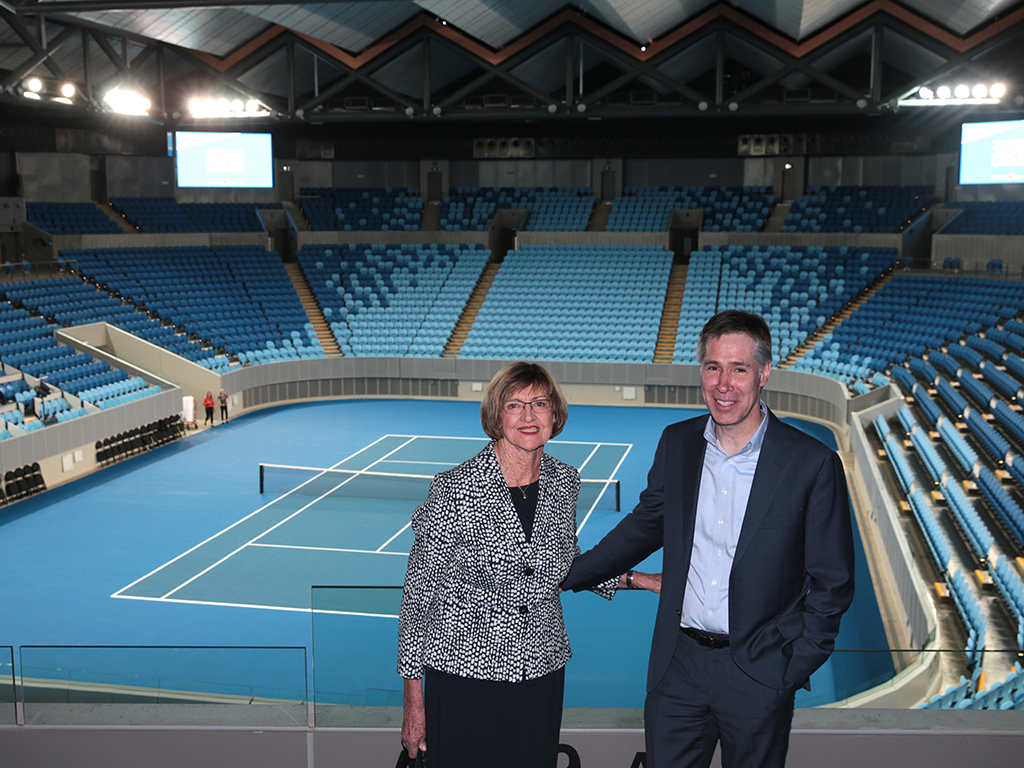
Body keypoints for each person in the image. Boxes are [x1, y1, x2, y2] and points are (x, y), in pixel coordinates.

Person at [562, 310, 855, 768]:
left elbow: (833, 582)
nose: (724, 384)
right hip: (678, 668)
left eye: (739, 369)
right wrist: (564, 573)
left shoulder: (812, 463)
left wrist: (790, 668)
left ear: (764, 374)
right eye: (713, 367)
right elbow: (644, 526)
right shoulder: (677, 443)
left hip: (759, 671)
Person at [398, 361, 652, 768]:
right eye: (515, 406)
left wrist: (639, 579)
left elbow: (562, 563)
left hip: (541, 667)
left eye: (540, 403)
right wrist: (414, 701)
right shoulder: (454, 487)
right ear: (497, 416)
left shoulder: (564, 480)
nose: (529, 416)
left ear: (555, 414)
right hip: (465, 674)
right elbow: (417, 598)